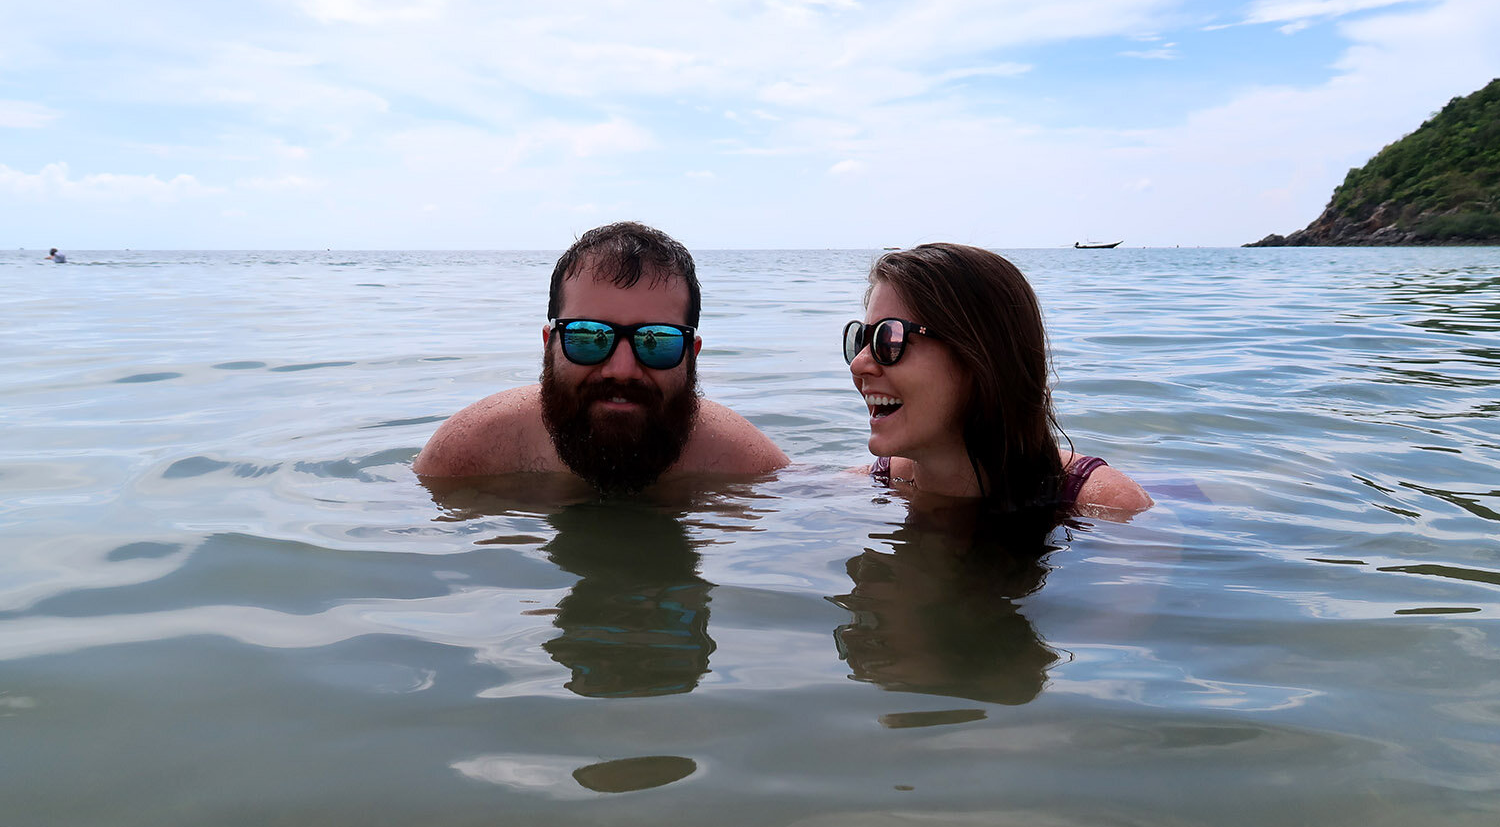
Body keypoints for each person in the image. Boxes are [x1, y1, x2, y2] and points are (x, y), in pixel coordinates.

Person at [414, 221, 787, 492]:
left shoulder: (748, 467)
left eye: (656, 340)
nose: (621, 370)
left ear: (691, 354)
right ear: (550, 344)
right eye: (589, 337)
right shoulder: (468, 454)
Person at [845, 242, 1150, 513]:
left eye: (889, 339)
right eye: (861, 340)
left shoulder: (1107, 508)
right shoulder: (882, 480)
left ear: (980, 358)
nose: (858, 364)